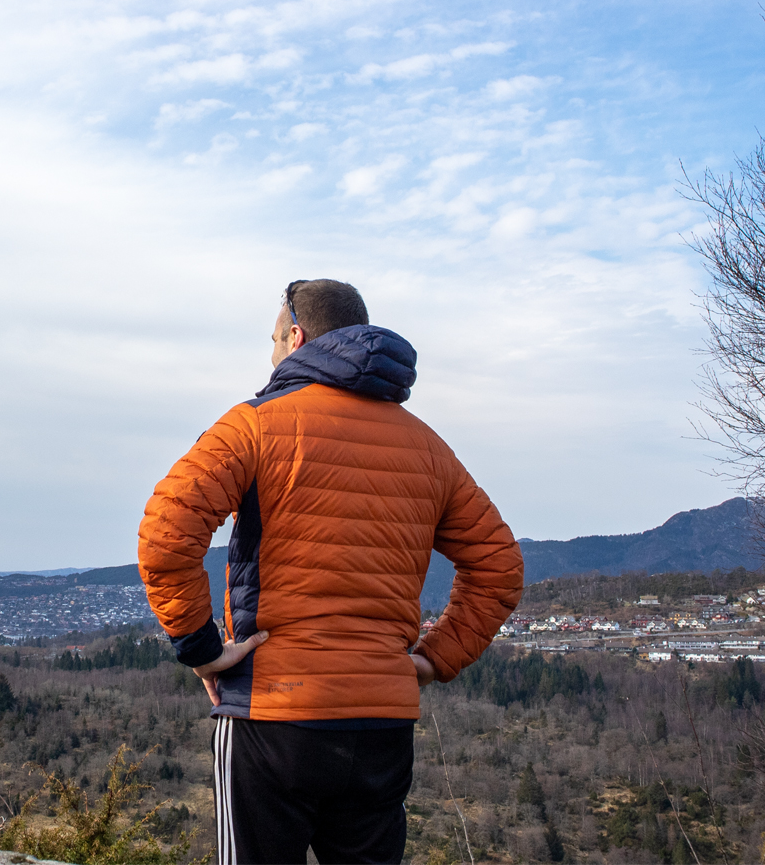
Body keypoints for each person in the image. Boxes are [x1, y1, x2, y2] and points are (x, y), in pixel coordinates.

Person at [137, 279, 524, 865]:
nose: (271, 354)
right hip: (383, 724)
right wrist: (433, 659)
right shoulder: (427, 447)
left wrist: (201, 649)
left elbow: (168, 531)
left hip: (274, 714)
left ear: (296, 337)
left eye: (273, 339)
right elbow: (499, 566)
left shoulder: (255, 424)